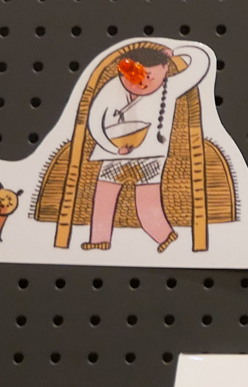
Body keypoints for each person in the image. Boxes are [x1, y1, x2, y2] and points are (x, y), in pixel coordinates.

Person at [83, 41, 208, 253]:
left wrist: (175, 52)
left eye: (149, 76)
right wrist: (113, 149)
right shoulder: (112, 88)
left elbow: (201, 63)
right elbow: (94, 122)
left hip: (150, 155)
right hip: (114, 154)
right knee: (104, 197)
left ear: (165, 70)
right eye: (132, 76)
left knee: (147, 202)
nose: (141, 82)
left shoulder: (171, 87)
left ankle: (165, 236)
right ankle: (99, 240)